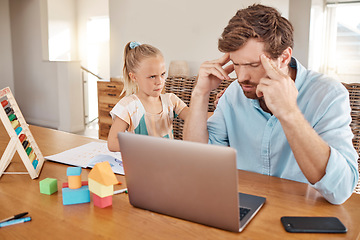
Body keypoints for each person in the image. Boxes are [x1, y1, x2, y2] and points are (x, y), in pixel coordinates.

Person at [183, 4, 359, 204]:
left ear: (284, 57)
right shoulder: (234, 94)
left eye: (253, 65)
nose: (241, 77)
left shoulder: (328, 94)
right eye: (237, 64)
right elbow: (197, 164)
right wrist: (200, 93)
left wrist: (289, 113)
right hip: (240, 207)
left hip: (301, 214)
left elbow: (341, 190)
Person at [107, 41, 189, 152]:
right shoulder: (128, 106)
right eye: (152, 77)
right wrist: (147, 147)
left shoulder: (171, 100)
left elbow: (195, 117)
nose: (159, 81)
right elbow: (112, 143)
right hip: (142, 165)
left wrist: (220, 108)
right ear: (134, 77)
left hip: (168, 162)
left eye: (163, 74)